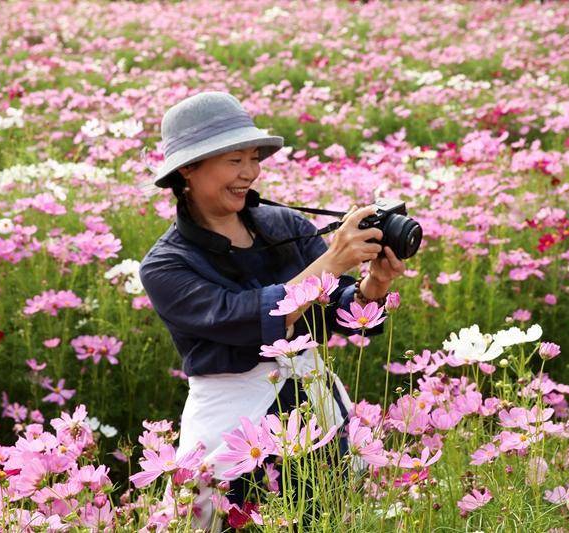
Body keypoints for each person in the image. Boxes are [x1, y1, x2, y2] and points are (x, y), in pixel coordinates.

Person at [138, 91, 406, 530]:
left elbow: (334, 310)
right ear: (187, 169)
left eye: (253, 158)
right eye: (233, 160)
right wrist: (332, 260)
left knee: (329, 521)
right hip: (235, 435)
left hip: (317, 419)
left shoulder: (286, 224)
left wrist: (374, 285)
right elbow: (243, 318)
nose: (249, 173)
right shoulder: (166, 265)